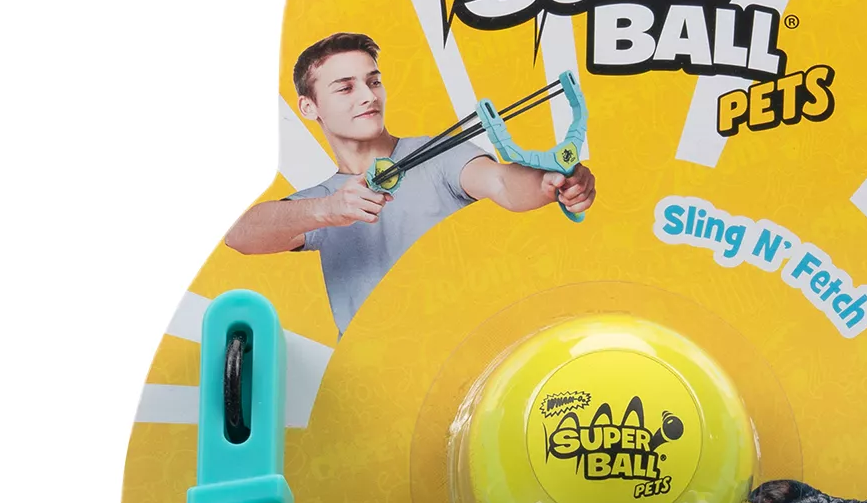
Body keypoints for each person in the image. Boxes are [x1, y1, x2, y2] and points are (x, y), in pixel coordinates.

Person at [225, 32, 597, 329]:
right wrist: (328, 210)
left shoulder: (439, 155)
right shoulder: (324, 200)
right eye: (345, 87)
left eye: (373, 81)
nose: (368, 96)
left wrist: (550, 183)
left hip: (455, 356)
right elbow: (240, 235)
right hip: (374, 377)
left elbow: (501, 183)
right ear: (309, 107)